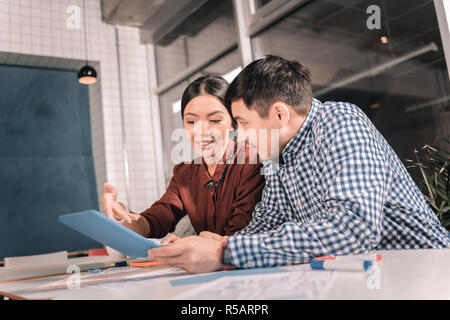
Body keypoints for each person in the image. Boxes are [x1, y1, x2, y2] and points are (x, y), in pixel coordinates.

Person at [147, 55, 450, 274]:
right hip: (367, 274)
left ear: (279, 115)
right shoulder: (277, 155)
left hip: (426, 271)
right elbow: (268, 220)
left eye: (243, 123)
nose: (239, 135)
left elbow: (352, 228)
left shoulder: (341, 123)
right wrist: (220, 243)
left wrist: (225, 251)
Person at [102, 76, 265, 240]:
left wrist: (190, 243)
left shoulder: (252, 162)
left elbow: (241, 234)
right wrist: (122, 216)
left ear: (232, 122)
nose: (202, 131)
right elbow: (155, 220)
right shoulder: (184, 173)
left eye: (214, 120)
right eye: (192, 121)